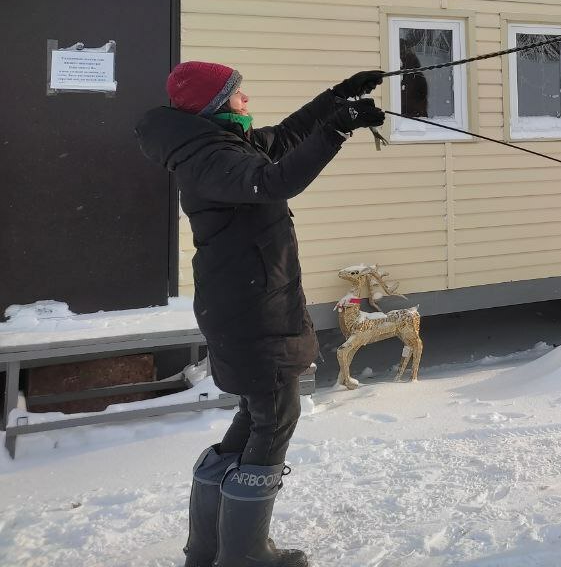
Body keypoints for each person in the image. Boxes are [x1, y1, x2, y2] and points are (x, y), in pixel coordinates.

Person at [136, 63, 387, 567]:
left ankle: (210, 549)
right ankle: (245, 556)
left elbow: (290, 136)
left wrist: (336, 96)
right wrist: (338, 128)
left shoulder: (219, 145)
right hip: (253, 311)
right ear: (213, 106)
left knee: (257, 414)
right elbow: (274, 182)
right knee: (275, 418)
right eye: (236, 94)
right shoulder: (212, 158)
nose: (246, 99)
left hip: (247, 302)